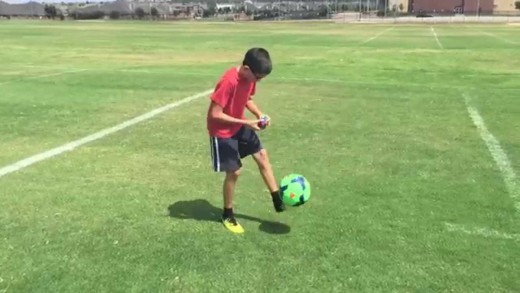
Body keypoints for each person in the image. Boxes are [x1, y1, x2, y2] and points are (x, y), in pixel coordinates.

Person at [206, 47, 285, 234]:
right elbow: (215, 114)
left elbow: (247, 98)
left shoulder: (250, 79)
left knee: (262, 155)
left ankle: (277, 198)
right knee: (235, 172)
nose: (258, 81)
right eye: (257, 77)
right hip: (222, 131)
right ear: (247, 69)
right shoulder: (228, 81)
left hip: (239, 124)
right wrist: (247, 123)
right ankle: (227, 214)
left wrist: (259, 114)